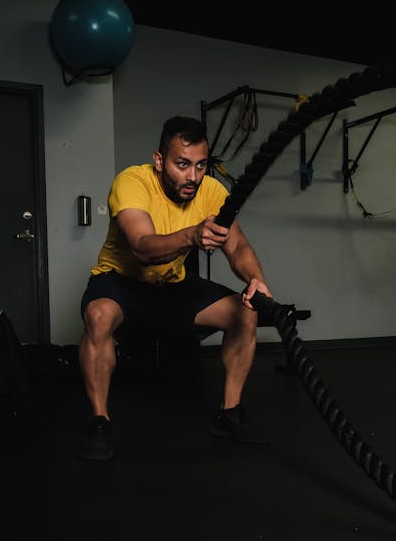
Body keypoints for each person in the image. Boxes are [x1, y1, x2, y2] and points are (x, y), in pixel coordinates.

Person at [76, 115, 273, 460]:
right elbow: (142, 246)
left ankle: (229, 413)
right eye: (182, 164)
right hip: (122, 281)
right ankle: (99, 421)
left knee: (245, 313)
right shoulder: (132, 181)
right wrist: (192, 234)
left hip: (172, 285)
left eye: (200, 165)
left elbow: (238, 246)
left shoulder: (212, 191)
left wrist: (255, 279)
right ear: (159, 160)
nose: (193, 176)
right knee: (98, 315)